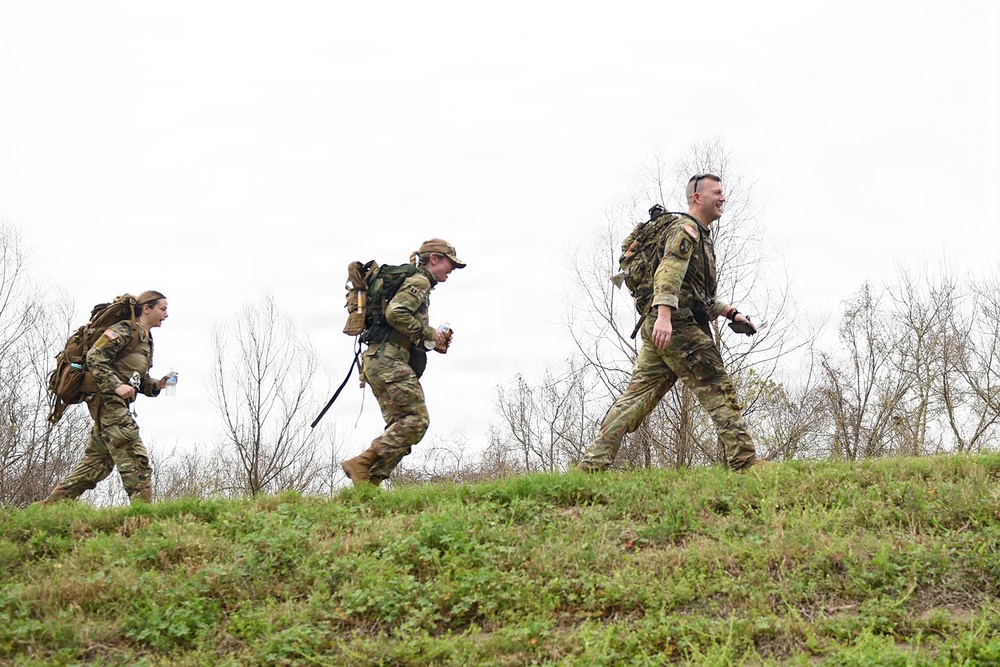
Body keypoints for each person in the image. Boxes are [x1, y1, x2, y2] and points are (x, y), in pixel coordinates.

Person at [577, 174, 766, 472]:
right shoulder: (686, 230)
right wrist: (664, 317)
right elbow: (669, 272)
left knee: (636, 397)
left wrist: (731, 313)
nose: (723, 198)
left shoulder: (698, 234)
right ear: (697, 198)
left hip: (661, 325)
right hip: (676, 325)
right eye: (716, 193)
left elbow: (696, 293)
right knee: (717, 386)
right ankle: (744, 462)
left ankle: (589, 466)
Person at [341, 239, 465, 487]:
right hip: (388, 359)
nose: (451, 269)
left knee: (400, 430)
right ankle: (362, 464)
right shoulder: (419, 281)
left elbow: (400, 325)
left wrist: (430, 342)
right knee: (416, 421)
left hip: (378, 360)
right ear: (434, 259)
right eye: (450, 263)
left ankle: (367, 487)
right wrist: (430, 333)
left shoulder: (417, 284)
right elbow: (395, 313)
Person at [37, 291, 174, 505]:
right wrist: (116, 385)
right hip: (107, 401)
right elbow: (95, 357)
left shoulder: (146, 340)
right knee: (134, 457)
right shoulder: (124, 330)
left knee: (97, 463)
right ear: (146, 308)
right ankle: (143, 516)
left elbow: (138, 380)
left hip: (118, 404)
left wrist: (157, 384)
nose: (166, 314)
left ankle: (46, 508)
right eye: (162, 308)